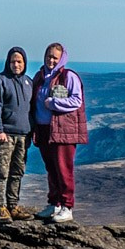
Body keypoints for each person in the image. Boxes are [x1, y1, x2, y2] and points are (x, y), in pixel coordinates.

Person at [30, 42, 86, 223]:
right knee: (51, 168)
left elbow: (76, 101)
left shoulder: (68, 76)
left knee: (63, 168)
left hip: (63, 130)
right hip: (44, 129)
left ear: (62, 58)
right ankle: (54, 203)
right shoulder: (40, 76)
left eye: (55, 57)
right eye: (49, 56)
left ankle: (67, 206)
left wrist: (53, 103)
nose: (51, 60)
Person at [0, 46, 32, 220]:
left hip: (23, 136)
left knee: (17, 172)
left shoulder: (29, 83)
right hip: (5, 136)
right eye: (13, 61)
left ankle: (13, 206)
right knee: (1, 173)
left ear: (24, 63)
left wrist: (32, 131)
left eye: (19, 61)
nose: (16, 65)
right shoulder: (0, 80)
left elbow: (32, 110)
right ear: (8, 62)